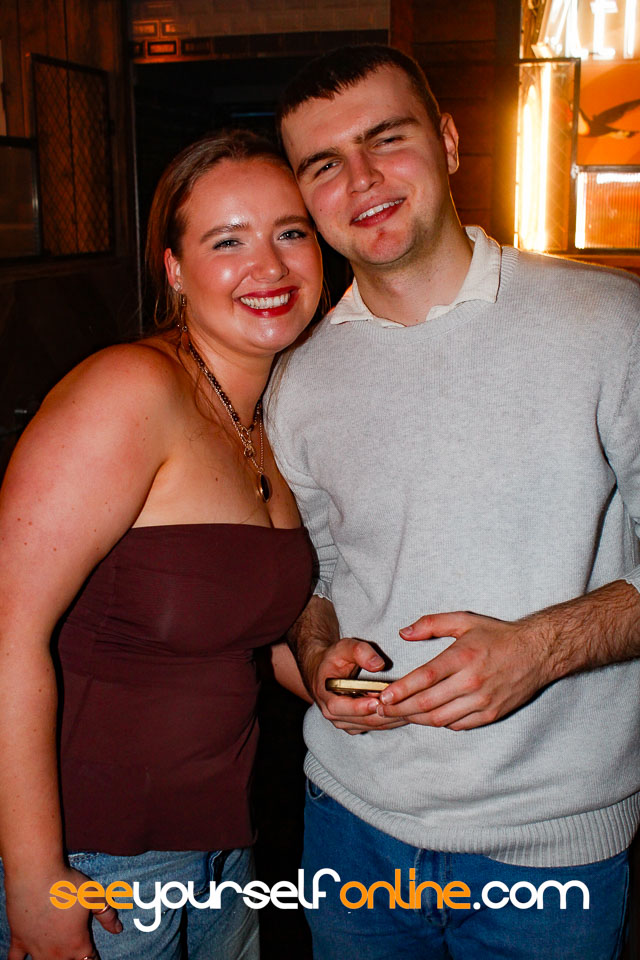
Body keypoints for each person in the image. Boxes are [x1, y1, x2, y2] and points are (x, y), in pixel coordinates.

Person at [265, 44, 640, 959]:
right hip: (349, 823)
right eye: (324, 164)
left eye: (386, 139)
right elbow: (312, 578)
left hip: (552, 850)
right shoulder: (296, 379)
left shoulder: (609, 324)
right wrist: (317, 653)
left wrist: (539, 650)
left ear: (449, 140)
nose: (361, 179)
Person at [0, 130, 322, 960]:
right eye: (228, 241)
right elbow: (5, 636)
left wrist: (330, 675)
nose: (270, 265)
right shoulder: (131, 388)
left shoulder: (269, 422)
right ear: (175, 270)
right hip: (98, 868)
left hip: (224, 856)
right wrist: (35, 878)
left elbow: (234, 634)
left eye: (290, 231)